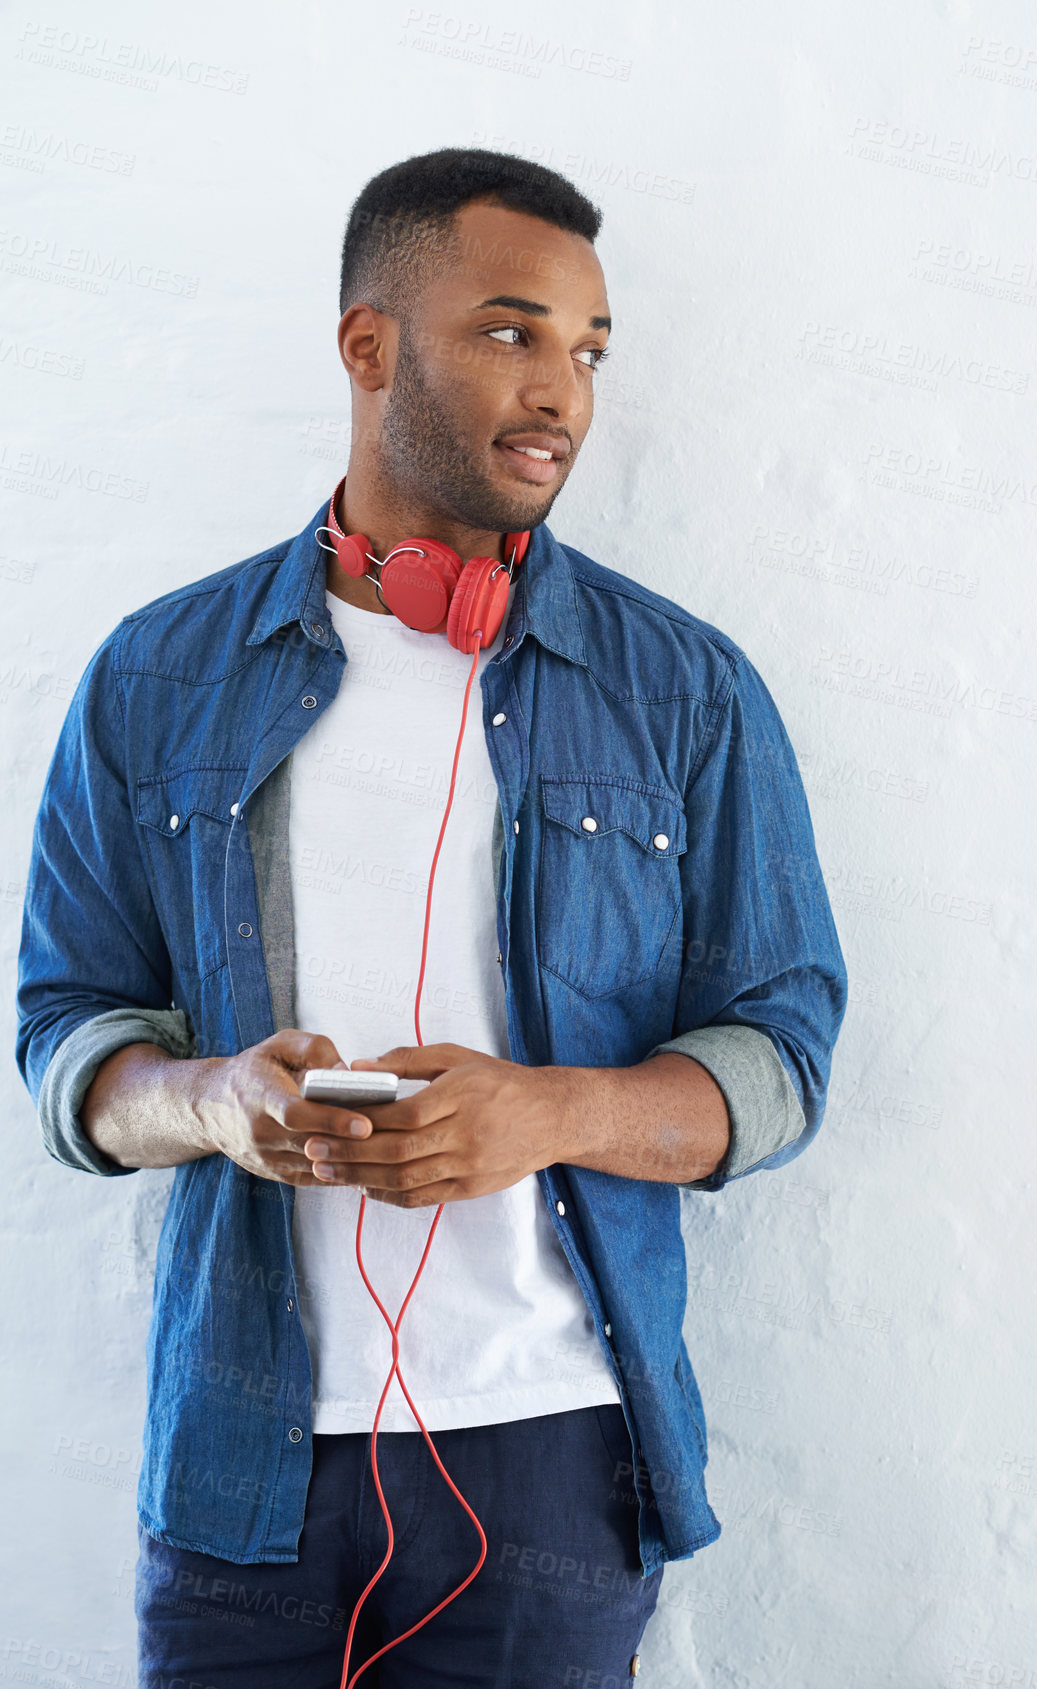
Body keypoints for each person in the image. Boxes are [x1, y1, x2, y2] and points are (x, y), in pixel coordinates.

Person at [15, 148, 848, 1686]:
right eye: (513, 331)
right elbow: (65, 1035)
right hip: (233, 1471)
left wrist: (548, 1111)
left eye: (589, 350)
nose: (564, 394)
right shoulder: (152, 675)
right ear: (369, 345)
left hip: (547, 1465)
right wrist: (212, 1101)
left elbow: (783, 1056)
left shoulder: (686, 689)